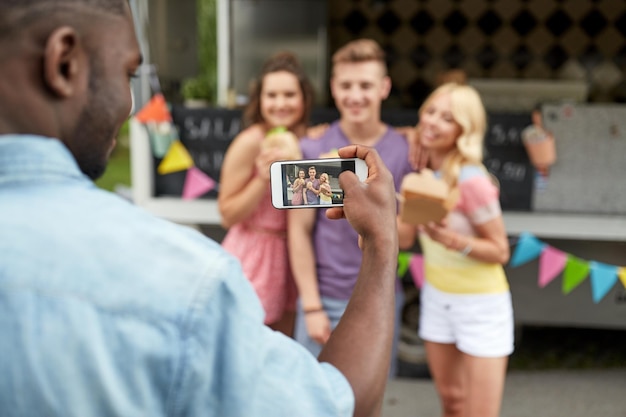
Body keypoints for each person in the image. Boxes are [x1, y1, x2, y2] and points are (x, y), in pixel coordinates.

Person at [0, 2, 404, 416]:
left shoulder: (309, 141)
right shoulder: (193, 280)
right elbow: (330, 403)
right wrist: (380, 241)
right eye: (128, 74)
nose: (129, 104)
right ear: (63, 63)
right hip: (260, 260)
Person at [288, 38, 414, 377]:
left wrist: (374, 213)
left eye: (365, 85)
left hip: (380, 297)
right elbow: (299, 231)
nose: (355, 95)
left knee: (367, 402)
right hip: (323, 298)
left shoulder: (405, 150)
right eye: (346, 85)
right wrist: (311, 306)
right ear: (333, 88)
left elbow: (409, 235)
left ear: (384, 87)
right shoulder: (313, 147)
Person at [397, 83, 513, 417]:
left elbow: (500, 250)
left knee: (479, 412)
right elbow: (404, 240)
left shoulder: (471, 180)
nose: (433, 122)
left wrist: (451, 240)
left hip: (481, 306)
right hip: (436, 299)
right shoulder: (423, 175)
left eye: (447, 118)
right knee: (452, 402)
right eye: (430, 111)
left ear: (464, 129)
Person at [218, 51, 314, 335]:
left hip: (295, 254)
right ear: (260, 101)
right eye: (271, 95)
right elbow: (227, 215)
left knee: (284, 349)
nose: (280, 103)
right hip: (256, 255)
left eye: (289, 95)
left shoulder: (309, 140)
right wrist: (262, 178)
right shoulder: (250, 142)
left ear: (304, 99)